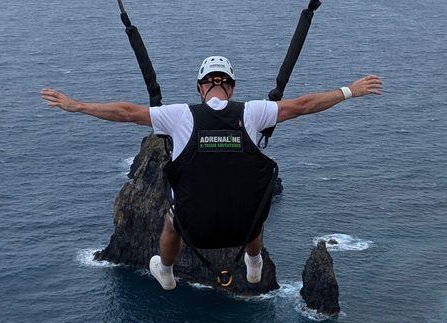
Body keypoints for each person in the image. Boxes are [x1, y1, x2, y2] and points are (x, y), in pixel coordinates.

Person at [41, 57, 382, 291]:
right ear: (231, 88)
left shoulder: (178, 116)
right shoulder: (254, 112)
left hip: (195, 231)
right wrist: (350, 90)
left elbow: (128, 113)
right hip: (242, 228)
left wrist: (78, 106)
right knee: (254, 208)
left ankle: (167, 269)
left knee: (171, 220)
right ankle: (253, 260)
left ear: (200, 88)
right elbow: (305, 104)